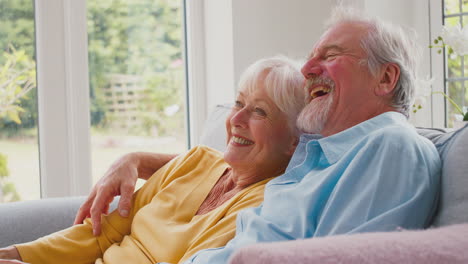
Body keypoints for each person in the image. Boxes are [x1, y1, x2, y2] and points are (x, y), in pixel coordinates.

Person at [66, 7, 441, 264]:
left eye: (330, 55)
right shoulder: (318, 152)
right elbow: (227, 165)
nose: (308, 69)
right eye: (312, 57)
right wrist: (135, 159)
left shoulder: (390, 147)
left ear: (386, 78)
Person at [0, 56, 306, 264]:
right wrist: (17, 254)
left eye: (260, 111)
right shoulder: (195, 161)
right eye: (239, 103)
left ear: (294, 140)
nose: (237, 118)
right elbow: (103, 233)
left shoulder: (262, 209)